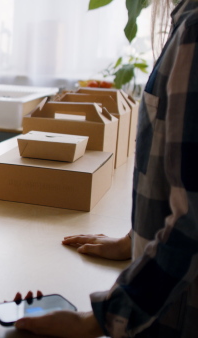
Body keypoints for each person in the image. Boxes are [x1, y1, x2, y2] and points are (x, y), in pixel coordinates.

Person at [13, 1, 198, 337]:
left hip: (177, 315)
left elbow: (192, 223)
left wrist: (96, 319)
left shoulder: (194, 29)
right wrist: (136, 240)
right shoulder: (185, 22)